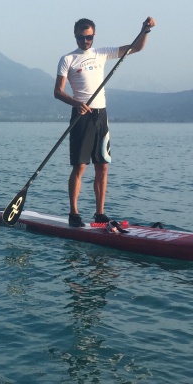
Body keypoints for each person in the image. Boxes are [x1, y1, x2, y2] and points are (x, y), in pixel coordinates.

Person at [54, 16, 155, 227]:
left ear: (94, 35)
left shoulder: (102, 53)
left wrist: (145, 30)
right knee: (80, 167)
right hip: (81, 117)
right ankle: (74, 214)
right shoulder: (68, 59)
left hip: (101, 116)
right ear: (75, 36)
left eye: (89, 37)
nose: (85, 41)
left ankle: (99, 214)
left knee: (102, 167)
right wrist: (75, 103)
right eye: (81, 38)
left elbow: (136, 48)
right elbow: (57, 92)